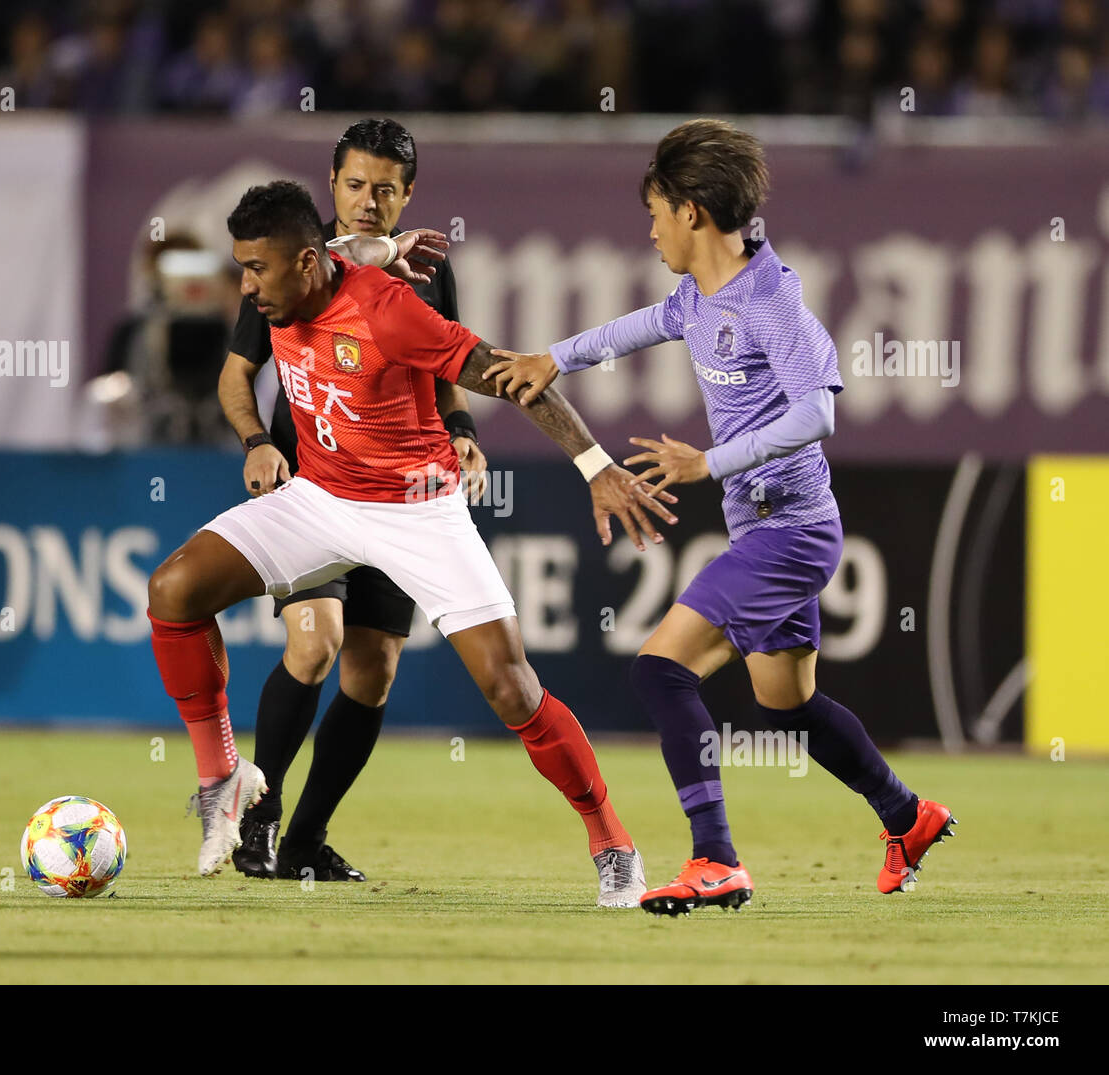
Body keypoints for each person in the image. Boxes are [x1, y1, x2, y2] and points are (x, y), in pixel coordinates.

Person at [148, 179, 674, 906]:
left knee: (509, 685)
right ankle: (223, 777)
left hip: (415, 509)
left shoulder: (387, 309)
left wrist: (595, 464)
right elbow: (339, 249)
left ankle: (612, 840)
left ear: (304, 263)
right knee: (174, 590)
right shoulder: (296, 275)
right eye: (241, 266)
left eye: (256, 270)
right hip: (319, 496)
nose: (246, 286)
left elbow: (507, 375)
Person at [485, 119, 956, 916]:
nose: (652, 228)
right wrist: (552, 358)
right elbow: (635, 328)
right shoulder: (699, 294)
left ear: (693, 212)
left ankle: (716, 859)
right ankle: (908, 816)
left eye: (657, 211)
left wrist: (711, 462)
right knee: (788, 704)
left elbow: (817, 413)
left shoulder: (770, 299)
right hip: (769, 527)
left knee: (659, 669)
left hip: (790, 530)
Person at [220, 119, 488, 882]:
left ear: (410, 194)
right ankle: (257, 822)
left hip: (400, 497)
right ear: (331, 183)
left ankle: (305, 838)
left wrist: (461, 429)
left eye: (386, 189)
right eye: (355, 185)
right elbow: (236, 377)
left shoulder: (427, 271)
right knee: (314, 643)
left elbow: (443, 371)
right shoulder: (293, 261)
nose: (369, 202)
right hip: (312, 489)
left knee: (372, 674)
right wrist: (256, 444)